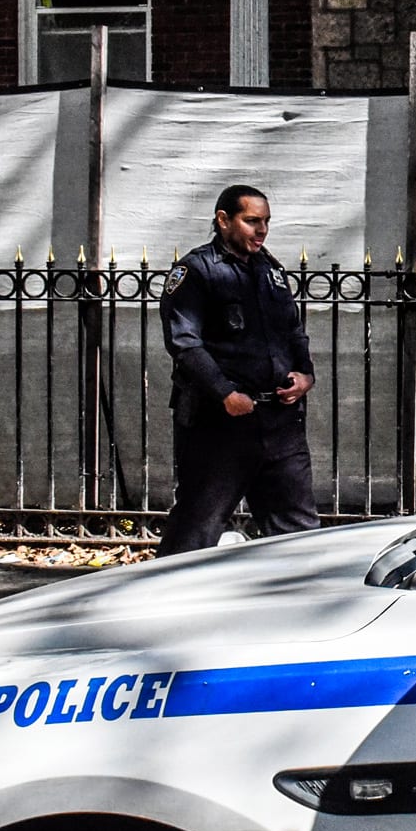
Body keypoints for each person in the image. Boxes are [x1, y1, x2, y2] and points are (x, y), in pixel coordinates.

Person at [156, 184, 320, 557]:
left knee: (298, 532)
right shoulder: (196, 271)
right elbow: (184, 343)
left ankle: (301, 603)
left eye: (266, 222)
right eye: (251, 221)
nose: (261, 230)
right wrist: (225, 394)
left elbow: (293, 331)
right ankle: (163, 601)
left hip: (278, 422)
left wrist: (305, 373)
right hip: (219, 424)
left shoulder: (269, 270)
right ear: (223, 220)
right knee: (197, 528)